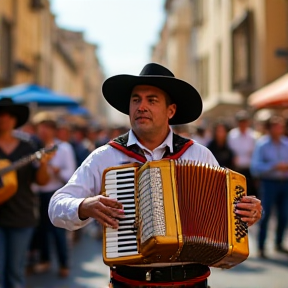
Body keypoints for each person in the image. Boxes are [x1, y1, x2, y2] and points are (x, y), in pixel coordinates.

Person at [49, 63, 262, 288]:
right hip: (131, 282)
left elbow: (226, 214)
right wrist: (83, 206)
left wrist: (249, 212)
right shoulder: (105, 156)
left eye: (151, 100)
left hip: (192, 282)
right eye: (135, 100)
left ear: (170, 111)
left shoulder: (198, 153)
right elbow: (56, 206)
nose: (141, 107)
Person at [0, 98, 51, 288]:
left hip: (21, 216)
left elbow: (41, 181)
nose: (4, 119)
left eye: (9, 116)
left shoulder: (27, 147)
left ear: (15, 120)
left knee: (15, 272)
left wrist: (44, 163)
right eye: (1, 115)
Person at [32, 112, 76, 277]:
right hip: (37, 195)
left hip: (57, 193)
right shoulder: (33, 148)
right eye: (42, 127)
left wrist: (55, 170)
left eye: (49, 127)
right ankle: (44, 260)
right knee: (41, 230)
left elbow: (70, 175)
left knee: (58, 231)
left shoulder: (63, 148)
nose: (44, 131)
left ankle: (64, 264)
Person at [250, 115, 288, 258]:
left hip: (285, 184)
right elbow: (256, 167)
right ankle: (261, 247)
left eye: (281, 125)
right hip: (269, 183)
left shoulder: (286, 143)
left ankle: (279, 243)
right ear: (270, 128)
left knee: (284, 215)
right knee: (264, 216)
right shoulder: (262, 144)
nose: (279, 128)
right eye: (276, 125)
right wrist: (274, 166)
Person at [227, 110, 258, 197]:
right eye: (241, 121)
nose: (243, 124)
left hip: (250, 170)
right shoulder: (232, 135)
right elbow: (230, 152)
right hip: (236, 169)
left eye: (244, 121)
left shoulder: (253, 135)